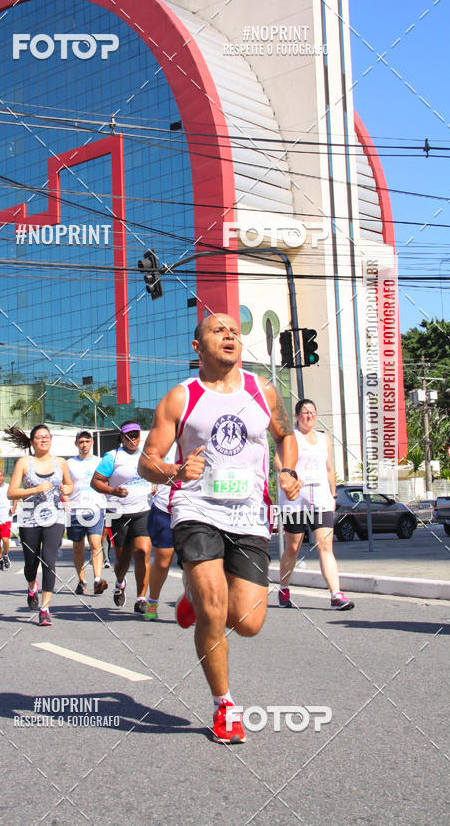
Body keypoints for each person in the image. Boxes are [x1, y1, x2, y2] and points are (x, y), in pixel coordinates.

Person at [139, 312, 299, 743]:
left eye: (233, 331)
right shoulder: (180, 398)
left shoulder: (262, 391)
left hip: (249, 513)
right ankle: (224, 705)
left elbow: (285, 436)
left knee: (246, 622)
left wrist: (287, 470)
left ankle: (190, 593)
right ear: (198, 347)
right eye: (218, 330)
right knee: (213, 608)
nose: (229, 335)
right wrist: (173, 469)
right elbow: (147, 461)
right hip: (197, 508)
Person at [276, 398, 354, 611]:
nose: (308, 416)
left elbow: (329, 468)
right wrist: (289, 476)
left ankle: (335, 594)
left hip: (320, 498)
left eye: (312, 412)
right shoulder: (290, 437)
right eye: (304, 412)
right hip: (295, 500)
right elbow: (278, 461)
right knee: (293, 547)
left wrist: (333, 494)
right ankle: (284, 587)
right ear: (297, 416)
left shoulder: (323, 439)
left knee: (326, 545)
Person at [6, 424, 73, 626]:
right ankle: (31, 586)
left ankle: (45, 608)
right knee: (30, 563)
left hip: (54, 517)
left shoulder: (61, 462)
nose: (44, 439)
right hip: (29, 517)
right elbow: (11, 492)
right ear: (32, 441)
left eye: (47, 436)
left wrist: (66, 489)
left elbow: (70, 485)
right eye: (39, 437)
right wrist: (35, 489)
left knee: (49, 561)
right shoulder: (24, 463)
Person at [91, 421, 152, 613]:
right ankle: (120, 582)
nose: (132, 438)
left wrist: (156, 485)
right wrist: (113, 491)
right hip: (117, 512)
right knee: (122, 558)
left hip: (143, 511)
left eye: (135, 434)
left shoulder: (147, 455)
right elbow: (95, 481)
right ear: (122, 437)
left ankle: (141, 598)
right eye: (128, 435)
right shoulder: (113, 457)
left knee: (142, 553)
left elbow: (158, 474)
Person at [66, 430, 108, 596]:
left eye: (87, 441)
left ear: (92, 443)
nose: (84, 445)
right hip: (75, 509)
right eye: (81, 441)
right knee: (77, 547)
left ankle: (97, 580)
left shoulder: (100, 462)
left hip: (95, 508)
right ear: (76, 443)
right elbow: (65, 485)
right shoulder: (69, 463)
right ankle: (82, 581)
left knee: (95, 543)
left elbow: (107, 481)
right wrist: (66, 501)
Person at [143, 444, 177, 621]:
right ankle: (153, 600)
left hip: (193, 510)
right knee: (163, 562)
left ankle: (194, 603)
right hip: (164, 509)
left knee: (194, 562)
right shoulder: (165, 444)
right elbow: (146, 466)